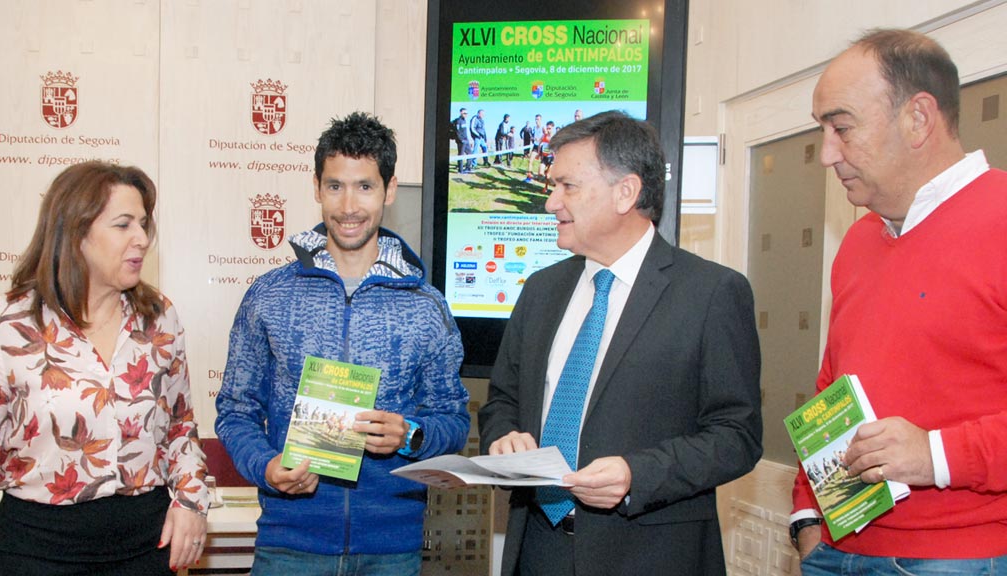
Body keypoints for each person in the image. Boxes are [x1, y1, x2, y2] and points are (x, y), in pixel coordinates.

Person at [479, 110, 762, 576]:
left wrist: (636, 475)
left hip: (648, 555)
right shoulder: (541, 290)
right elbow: (503, 401)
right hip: (537, 548)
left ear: (625, 192)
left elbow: (737, 437)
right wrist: (504, 436)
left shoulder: (711, 293)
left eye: (567, 186)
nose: (551, 202)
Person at [215, 111, 470, 576]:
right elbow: (235, 409)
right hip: (290, 543)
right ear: (316, 188)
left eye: (365, 187)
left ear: (389, 190)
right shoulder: (270, 294)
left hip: (391, 549)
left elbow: (452, 419)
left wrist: (410, 434)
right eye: (335, 186)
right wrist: (267, 466)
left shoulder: (426, 306)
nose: (348, 205)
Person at [790, 28, 1007, 574]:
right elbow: (832, 390)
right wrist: (805, 517)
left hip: (960, 557)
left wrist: (933, 455)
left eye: (841, 127)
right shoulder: (859, 241)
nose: (826, 154)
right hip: (836, 549)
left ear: (918, 118)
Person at [0, 161, 209, 574]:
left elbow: (179, 427)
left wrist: (192, 502)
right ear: (77, 233)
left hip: (145, 546)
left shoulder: (160, 318)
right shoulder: (10, 322)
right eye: (123, 225)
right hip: (39, 550)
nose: (142, 239)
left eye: (143, 224)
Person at [452, 107, 473, 173]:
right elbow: (458, 132)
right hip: (461, 141)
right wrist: (461, 140)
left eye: (466, 113)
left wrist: (469, 140)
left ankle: (468, 168)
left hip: (466, 140)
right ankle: (460, 170)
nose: (465, 114)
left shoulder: (464, 120)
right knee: (460, 155)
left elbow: (465, 132)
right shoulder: (459, 121)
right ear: (461, 113)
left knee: (470, 154)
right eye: (464, 113)